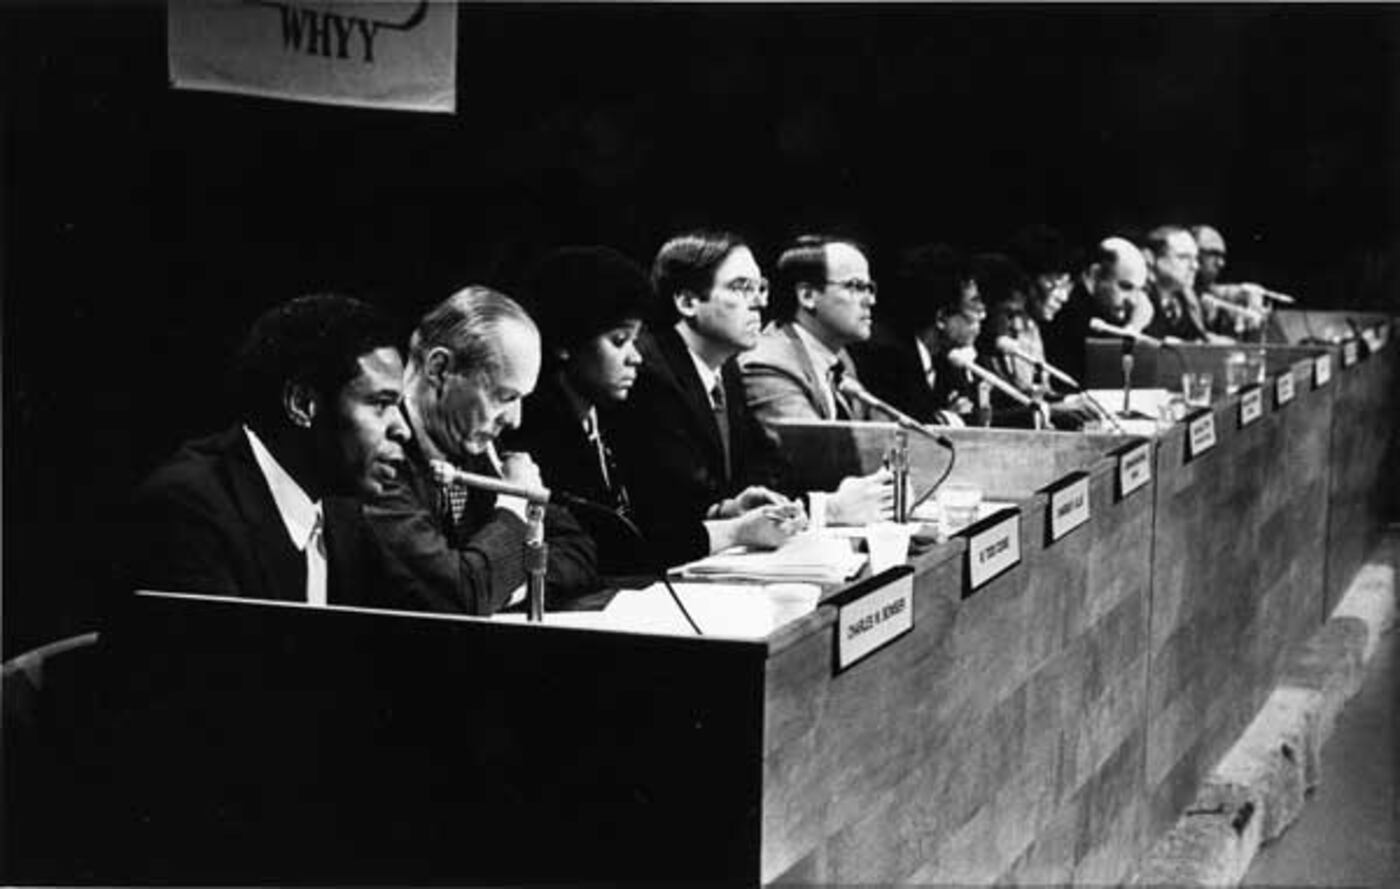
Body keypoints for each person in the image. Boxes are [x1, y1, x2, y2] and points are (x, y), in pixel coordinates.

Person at [125, 293, 410, 607]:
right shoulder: (187, 507)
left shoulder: (343, 516)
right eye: (381, 404)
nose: (403, 429)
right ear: (302, 404)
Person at [364, 286, 599, 615]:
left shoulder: (475, 441)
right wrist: (516, 507)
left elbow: (578, 549)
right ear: (439, 369)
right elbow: (459, 595)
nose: (515, 421)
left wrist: (501, 588)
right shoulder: (375, 460)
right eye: (505, 397)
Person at [505, 245, 652, 574]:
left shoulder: (613, 416)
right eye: (619, 340)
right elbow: (603, 545)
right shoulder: (533, 429)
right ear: (565, 343)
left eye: (635, 341)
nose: (636, 357)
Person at [739, 234, 877, 423]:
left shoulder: (841, 361)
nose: (870, 300)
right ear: (807, 295)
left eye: (869, 288)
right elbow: (815, 449)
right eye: (855, 286)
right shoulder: (767, 363)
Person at [850, 243, 984, 426]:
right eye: (974, 303)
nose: (982, 314)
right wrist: (947, 419)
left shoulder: (945, 362)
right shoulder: (885, 356)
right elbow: (898, 432)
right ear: (942, 318)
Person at [1044, 236, 1155, 381]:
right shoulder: (1066, 309)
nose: (1133, 301)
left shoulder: (1107, 307)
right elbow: (1110, 375)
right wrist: (1134, 327)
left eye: (1139, 290)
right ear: (1095, 274)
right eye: (1125, 287)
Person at [1141, 224, 1228, 343]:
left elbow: (1199, 339)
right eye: (1183, 257)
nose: (1195, 266)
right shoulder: (1137, 298)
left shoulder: (1188, 301)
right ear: (1152, 258)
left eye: (1195, 258)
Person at [1191, 223, 1268, 339]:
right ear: (1194, 253)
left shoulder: (1207, 291)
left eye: (1222, 257)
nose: (1221, 263)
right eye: (1213, 254)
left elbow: (1226, 292)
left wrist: (1249, 294)